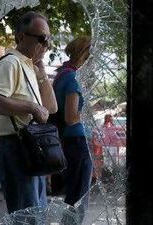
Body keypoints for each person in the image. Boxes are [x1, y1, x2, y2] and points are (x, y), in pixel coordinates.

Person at [0, 11, 57, 214]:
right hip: (14, 145)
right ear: (22, 37)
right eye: (42, 39)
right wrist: (31, 107)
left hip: (28, 146)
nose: (46, 45)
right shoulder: (10, 63)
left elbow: (51, 109)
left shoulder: (27, 66)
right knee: (28, 215)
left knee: (35, 213)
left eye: (48, 40)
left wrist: (43, 76)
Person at [53, 36, 93, 224]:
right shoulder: (72, 78)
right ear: (85, 54)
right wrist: (87, 112)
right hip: (77, 142)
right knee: (78, 201)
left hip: (70, 142)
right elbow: (70, 117)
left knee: (73, 198)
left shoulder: (63, 74)